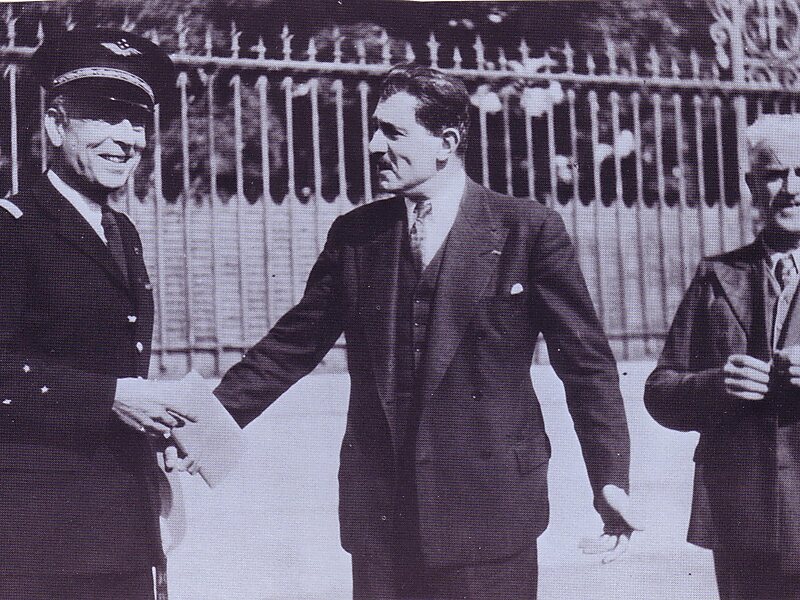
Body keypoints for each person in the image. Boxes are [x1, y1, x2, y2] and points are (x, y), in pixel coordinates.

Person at [213, 64, 635, 599]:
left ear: (447, 143)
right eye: (374, 129)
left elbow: (587, 366)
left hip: (491, 514)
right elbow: (290, 347)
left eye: (393, 131)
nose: (374, 146)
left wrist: (610, 479)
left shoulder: (527, 230)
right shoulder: (356, 235)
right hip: (383, 520)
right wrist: (206, 421)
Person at [0, 28, 196, 599]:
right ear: (56, 127)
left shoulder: (120, 231)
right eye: (105, 118)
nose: (126, 139)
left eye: (136, 121)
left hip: (121, 516)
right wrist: (108, 397)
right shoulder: (12, 229)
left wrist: (153, 423)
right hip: (37, 529)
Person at [645, 113, 800, 599]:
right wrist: (717, 385)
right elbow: (661, 390)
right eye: (775, 174)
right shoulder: (716, 277)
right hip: (744, 520)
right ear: (753, 185)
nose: (791, 189)